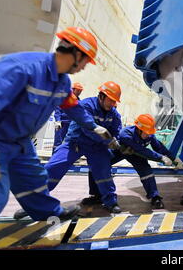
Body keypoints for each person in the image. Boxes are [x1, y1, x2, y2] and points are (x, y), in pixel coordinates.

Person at [0, 27, 113, 233]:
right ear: (76, 54)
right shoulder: (21, 68)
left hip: (21, 143)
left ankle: (50, 213)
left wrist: (94, 126)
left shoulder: (62, 83)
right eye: (86, 61)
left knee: (34, 181)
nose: (85, 67)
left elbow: (73, 108)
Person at [42, 82, 123, 214]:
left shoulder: (114, 114)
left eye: (115, 101)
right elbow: (87, 130)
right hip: (76, 142)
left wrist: (116, 141)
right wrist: (108, 141)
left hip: (96, 147)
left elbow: (117, 130)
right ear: (101, 96)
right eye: (111, 100)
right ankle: (37, 199)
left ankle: (110, 201)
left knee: (104, 171)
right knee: (54, 166)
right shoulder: (86, 105)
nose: (113, 104)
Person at [83, 114, 183, 209]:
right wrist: (161, 158)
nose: (148, 135)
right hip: (119, 152)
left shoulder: (149, 134)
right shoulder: (125, 135)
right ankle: (96, 195)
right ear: (138, 129)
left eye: (150, 133)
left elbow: (159, 147)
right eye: (146, 133)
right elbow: (142, 150)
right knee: (97, 165)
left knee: (146, 172)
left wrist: (174, 159)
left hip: (135, 154)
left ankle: (155, 197)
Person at [53, 82, 84, 152]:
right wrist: (57, 120)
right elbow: (58, 109)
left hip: (72, 125)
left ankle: (67, 158)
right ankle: (54, 157)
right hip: (62, 124)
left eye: (80, 91)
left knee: (71, 142)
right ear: (73, 89)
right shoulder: (64, 98)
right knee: (58, 142)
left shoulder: (79, 102)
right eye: (78, 90)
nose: (79, 92)